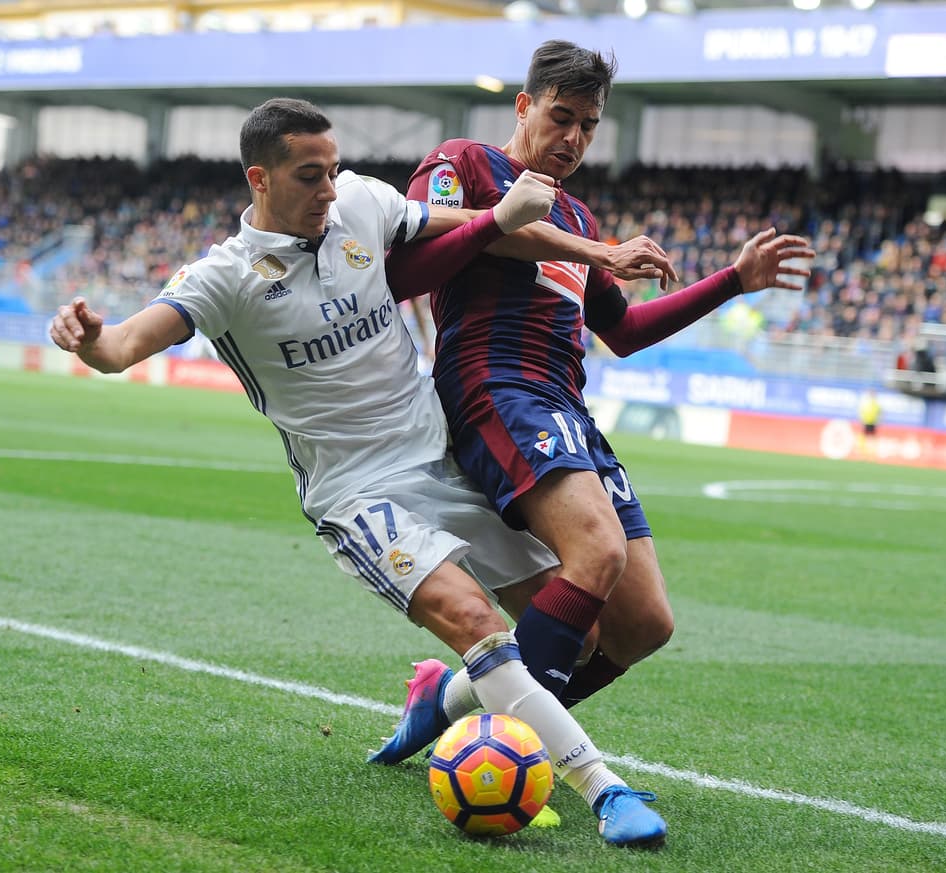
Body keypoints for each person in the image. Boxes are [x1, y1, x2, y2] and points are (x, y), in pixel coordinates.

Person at [49, 98, 668, 847]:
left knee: (583, 631)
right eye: (309, 176)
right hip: (356, 490)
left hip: (438, 454)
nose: (328, 189)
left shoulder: (364, 204)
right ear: (260, 179)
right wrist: (88, 339)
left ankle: (443, 700)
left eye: (333, 169)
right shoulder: (224, 276)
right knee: (476, 622)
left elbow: (488, 228)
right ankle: (604, 790)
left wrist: (589, 251)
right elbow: (121, 347)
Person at [381, 42, 813, 731]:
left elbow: (625, 330)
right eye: (561, 117)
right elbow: (406, 267)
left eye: (589, 125)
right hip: (496, 387)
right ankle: (517, 746)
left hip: (567, 407)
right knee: (598, 551)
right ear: (524, 106)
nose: (574, 138)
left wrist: (732, 280)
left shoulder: (578, 218)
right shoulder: (462, 162)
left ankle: (450, 707)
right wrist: (558, 239)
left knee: (644, 623)